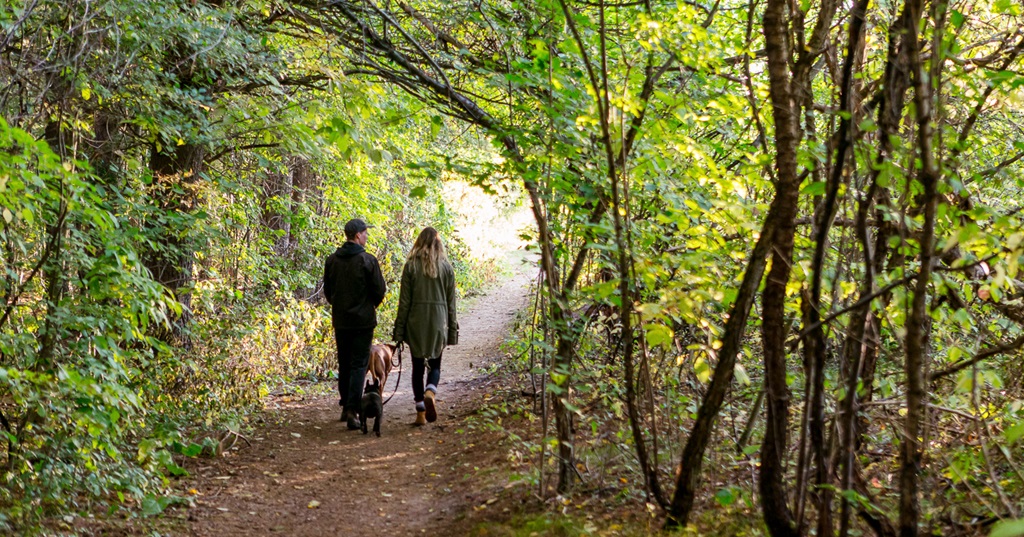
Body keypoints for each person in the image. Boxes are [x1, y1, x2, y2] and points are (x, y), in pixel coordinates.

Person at [323, 218, 387, 430]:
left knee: (344, 363)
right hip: (363, 322)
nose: (367, 236)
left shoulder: (332, 260)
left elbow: (329, 293)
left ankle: (345, 406)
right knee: (359, 364)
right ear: (358, 236)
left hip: (341, 322)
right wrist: (369, 307)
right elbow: (379, 290)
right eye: (365, 233)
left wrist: (341, 307)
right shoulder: (368, 261)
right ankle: (352, 409)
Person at [392, 227, 458, 426]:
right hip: (439, 321)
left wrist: (399, 331)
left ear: (419, 243)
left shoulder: (411, 266)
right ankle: (431, 390)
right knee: (435, 364)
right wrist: (452, 331)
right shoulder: (446, 268)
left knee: (417, 367)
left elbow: (404, 303)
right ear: (439, 244)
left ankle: (420, 412)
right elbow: (451, 303)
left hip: (416, 321)